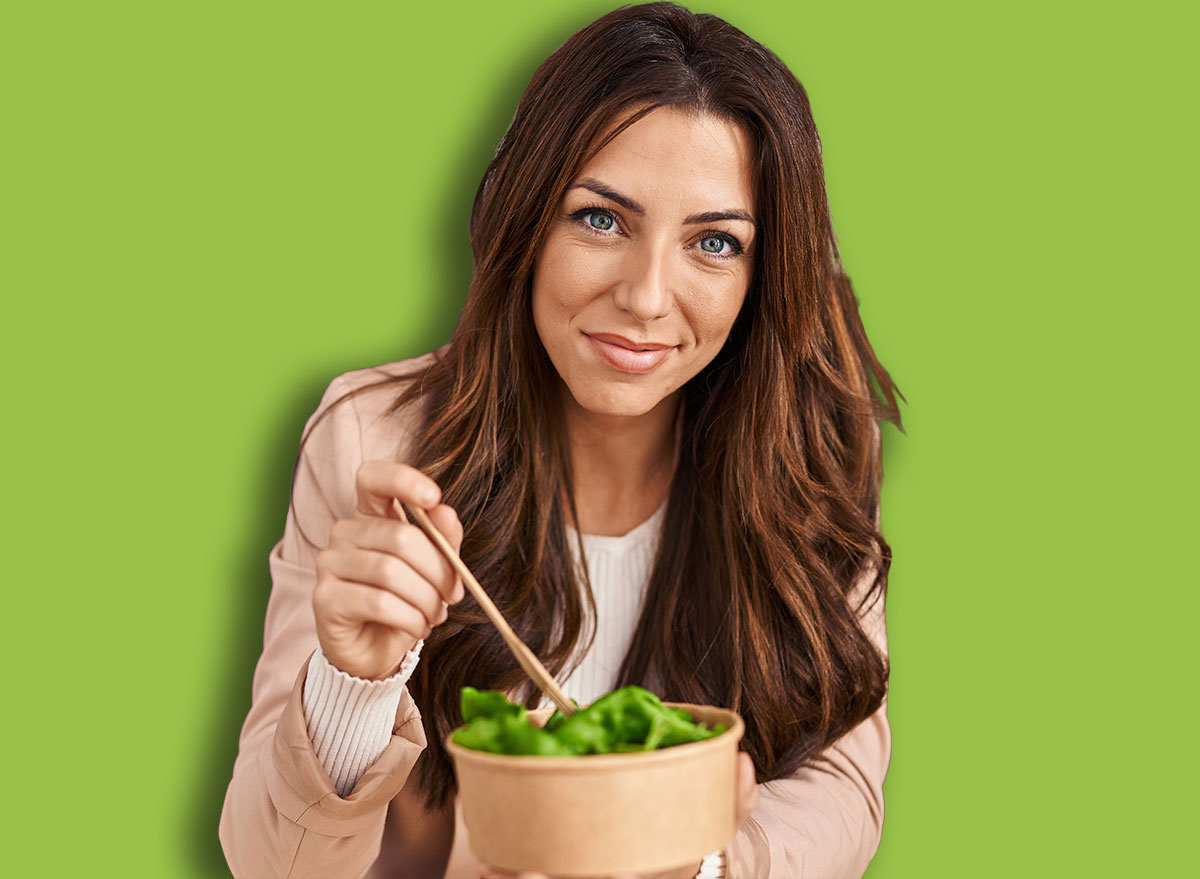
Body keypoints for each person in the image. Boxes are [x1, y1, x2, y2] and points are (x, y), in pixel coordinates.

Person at [219, 3, 902, 877]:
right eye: (602, 220)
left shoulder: (815, 451)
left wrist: (692, 863)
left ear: (761, 275)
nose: (648, 297)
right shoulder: (377, 444)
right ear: (528, 217)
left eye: (716, 242)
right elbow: (268, 862)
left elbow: (839, 784)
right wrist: (350, 688)